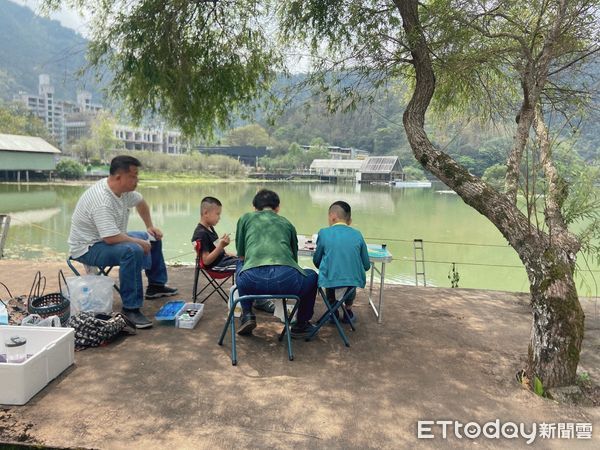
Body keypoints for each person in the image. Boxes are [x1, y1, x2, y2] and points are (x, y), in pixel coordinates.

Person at [68, 155, 178, 329]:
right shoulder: (101, 199)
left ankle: (156, 285)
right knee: (132, 250)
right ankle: (131, 308)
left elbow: (141, 203)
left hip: (108, 238)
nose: (137, 180)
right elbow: (110, 238)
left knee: (152, 237)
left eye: (137, 176)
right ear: (119, 177)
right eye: (133, 176)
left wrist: (150, 226)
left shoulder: (124, 192)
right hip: (88, 248)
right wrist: (139, 243)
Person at [235, 189, 318, 338]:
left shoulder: (245, 219)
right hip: (285, 281)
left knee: (240, 263)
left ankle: (247, 314)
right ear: (277, 208)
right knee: (312, 276)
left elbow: (241, 255)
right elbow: (293, 260)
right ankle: (301, 324)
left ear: (254, 208)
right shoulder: (287, 223)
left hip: (250, 282)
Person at [190, 196, 275, 313]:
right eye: (217, 214)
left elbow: (217, 250)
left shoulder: (209, 228)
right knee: (250, 266)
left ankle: (256, 296)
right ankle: (258, 301)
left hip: (223, 260)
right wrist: (221, 246)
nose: (219, 218)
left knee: (250, 260)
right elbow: (206, 261)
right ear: (206, 213)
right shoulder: (201, 233)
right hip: (216, 266)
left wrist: (231, 253)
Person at [312, 201, 371, 324]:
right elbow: (366, 265)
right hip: (352, 280)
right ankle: (348, 311)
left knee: (331, 274)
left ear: (332, 216)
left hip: (330, 280)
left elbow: (316, 260)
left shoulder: (324, 233)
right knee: (350, 277)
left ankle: (333, 312)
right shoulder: (357, 234)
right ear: (349, 220)